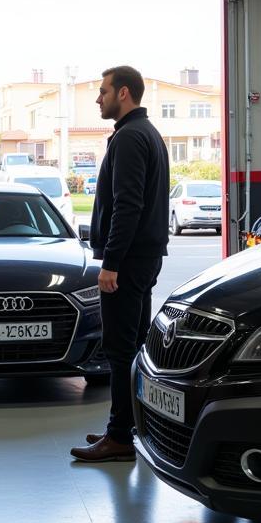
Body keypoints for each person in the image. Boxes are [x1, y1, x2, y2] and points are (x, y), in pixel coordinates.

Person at [70, 66, 169, 463]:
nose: (98, 99)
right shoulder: (147, 134)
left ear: (123, 93)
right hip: (143, 258)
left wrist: (110, 262)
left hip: (127, 262)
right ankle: (129, 427)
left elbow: (128, 206)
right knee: (132, 346)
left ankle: (119, 437)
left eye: (103, 91)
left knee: (119, 350)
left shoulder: (129, 138)